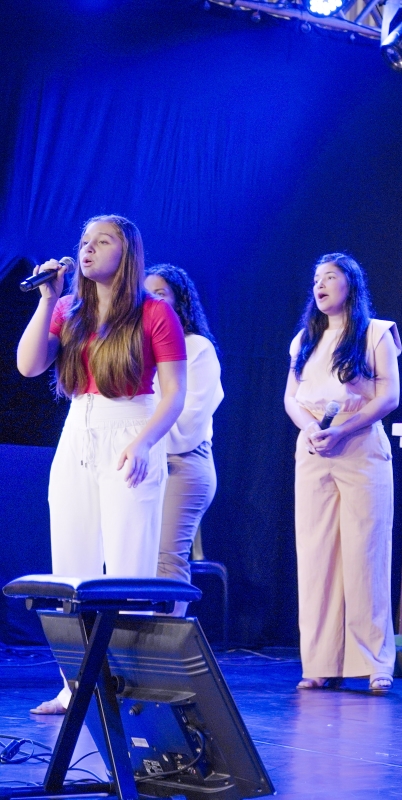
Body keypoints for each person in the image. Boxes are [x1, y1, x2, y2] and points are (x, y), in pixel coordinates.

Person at [16, 215, 187, 714]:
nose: (87, 249)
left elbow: (174, 395)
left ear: (126, 252)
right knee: (72, 563)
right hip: (78, 431)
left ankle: (130, 688)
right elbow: (28, 365)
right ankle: (74, 684)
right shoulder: (68, 309)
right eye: (84, 241)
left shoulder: (154, 312)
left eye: (101, 241)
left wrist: (144, 443)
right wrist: (48, 298)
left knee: (129, 565)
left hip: (130, 427)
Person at [284, 253, 401, 694]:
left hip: (359, 444)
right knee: (316, 555)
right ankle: (319, 662)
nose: (320, 284)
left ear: (350, 284)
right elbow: (291, 397)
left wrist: (344, 430)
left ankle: (374, 663)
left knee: (365, 554)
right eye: (316, 278)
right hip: (314, 445)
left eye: (330, 277)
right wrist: (311, 428)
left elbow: (389, 396)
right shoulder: (305, 339)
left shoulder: (375, 333)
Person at [145, 264, 224, 617]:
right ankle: (132, 643)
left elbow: (187, 425)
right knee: (136, 557)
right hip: (145, 462)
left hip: (183, 463)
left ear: (180, 302)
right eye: (145, 294)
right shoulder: (137, 350)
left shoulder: (197, 349)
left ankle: (166, 641)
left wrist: (143, 438)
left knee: (166, 558)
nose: (151, 300)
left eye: (160, 293)